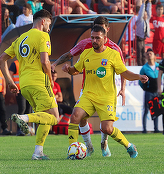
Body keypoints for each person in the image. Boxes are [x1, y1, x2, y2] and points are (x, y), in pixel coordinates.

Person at [62, 25, 148, 158]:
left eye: (97, 38)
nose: (94, 41)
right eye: (92, 38)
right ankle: (72, 151)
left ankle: (129, 146)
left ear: (105, 38)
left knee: (107, 128)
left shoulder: (113, 54)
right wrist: (69, 69)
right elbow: (76, 70)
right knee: (75, 116)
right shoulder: (86, 53)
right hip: (88, 95)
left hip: (106, 97)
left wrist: (138, 76)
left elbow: (124, 72)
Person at [51, 16, 127, 157]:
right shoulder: (85, 44)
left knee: (106, 125)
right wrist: (55, 64)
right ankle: (88, 146)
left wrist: (123, 88)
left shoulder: (114, 49)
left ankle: (104, 143)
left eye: (101, 29)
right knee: (79, 116)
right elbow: (69, 54)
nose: (95, 39)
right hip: (87, 89)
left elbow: (123, 70)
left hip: (105, 92)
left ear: (107, 30)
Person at [0, 9, 60, 160]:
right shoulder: (43, 35)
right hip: (40, 82)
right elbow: (45, 61)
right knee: (55, 118)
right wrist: (50, 79)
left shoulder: (20, 39)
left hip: (24, 85)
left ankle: (38, 153)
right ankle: (24, 118)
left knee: (44, 116)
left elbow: (1, 59)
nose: (49, 28)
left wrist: (10, 81)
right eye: (49, 24)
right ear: (43, 21)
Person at [9, 60, 32, 136]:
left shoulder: (29, 62)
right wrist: (13, 87)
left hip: (29, 90)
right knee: (22, 108)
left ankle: (25, 129)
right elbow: (10, 75)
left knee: (28, 110)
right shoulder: (15, 64)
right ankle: (19, 130)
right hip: (20, 90)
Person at [139, 48, 159, 133]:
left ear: (154, 55)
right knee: (146, 110)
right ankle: (144, 129)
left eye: (151, 53)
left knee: (156, 111)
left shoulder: (158, 66)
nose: (149, 55)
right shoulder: (144, 68)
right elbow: (140, 80)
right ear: (146, 56)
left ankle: (156, 129)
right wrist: (144, 87)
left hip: (156, 92)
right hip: (148, 92)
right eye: (148, 54)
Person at [135, 0, 151, 66]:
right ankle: (139, 65)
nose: (146, 15)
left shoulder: (147, 20)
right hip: (139, 38)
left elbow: (149, 12)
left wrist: (149, 3)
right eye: (144, 14)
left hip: (143, 39)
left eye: (146, 14)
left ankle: (143, 64)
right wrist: (143, 3)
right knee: (139, 54)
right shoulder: (140, 20)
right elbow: (141, 13)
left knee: (143, 54)